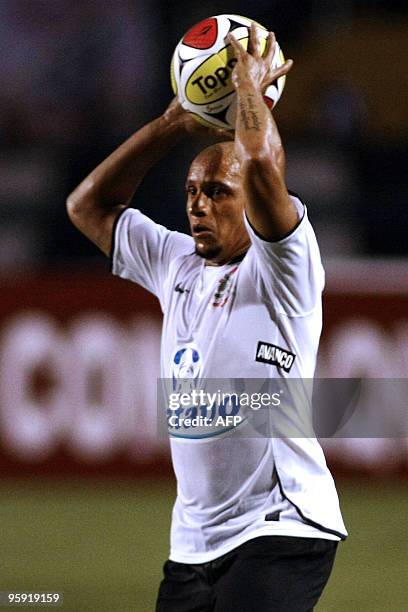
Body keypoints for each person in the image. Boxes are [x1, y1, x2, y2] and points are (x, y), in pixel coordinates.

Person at [67, 24, 347, 612]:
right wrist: (172, 124)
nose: (198, 203)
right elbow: (86, 206)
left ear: (251, 203)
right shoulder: (176, 264)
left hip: (282, 527)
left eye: (219, 191)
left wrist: (245, 81)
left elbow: (264, 171)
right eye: (193, 190)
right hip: (192, 546)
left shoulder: (285, 268)